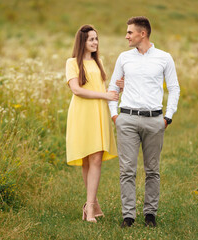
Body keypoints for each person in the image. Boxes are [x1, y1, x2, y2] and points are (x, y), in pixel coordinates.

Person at [108, 16, 180, 228]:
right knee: (126, 170)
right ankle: (128, 216)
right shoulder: (123, 58)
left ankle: (150, 215)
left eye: (130, 32)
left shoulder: (164, 58)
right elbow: (113, 87)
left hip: (154, 120)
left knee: (152, 170)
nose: (126, 36)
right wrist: (115, 116)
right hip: (127, 119)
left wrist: (168, 117)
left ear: (143, 34)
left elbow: (174, 88)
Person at [65, 24, 118, 223]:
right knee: (87, 159)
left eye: (96, 39)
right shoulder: (72, 62)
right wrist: (104, 95)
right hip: (81, 113)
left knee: (96, 157)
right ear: (82, 42)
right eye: (91, 39)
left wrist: (115, 87)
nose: (95, 42)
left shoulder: (99, 62)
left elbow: (102, 85)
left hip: (99, 113)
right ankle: (92, 204)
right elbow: (76, 90)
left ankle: (89, 208)